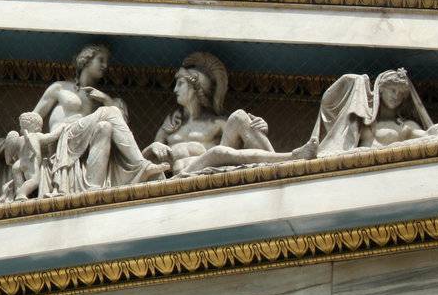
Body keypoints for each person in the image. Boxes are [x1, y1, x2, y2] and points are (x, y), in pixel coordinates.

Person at [144, 52, 317, 175]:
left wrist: (259, 126)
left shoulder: (217, 123)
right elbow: (145, 162)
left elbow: (244, 136)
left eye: (180, 84)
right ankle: (290, 158)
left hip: (208, 173)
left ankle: (277, 167)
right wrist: (156, 141)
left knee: (239, 117)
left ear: (196, 89)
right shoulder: (171, 125)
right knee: (217, 153)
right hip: (178, 177)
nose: (174, 90)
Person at [32, 42, 168, 194]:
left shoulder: (98, 99)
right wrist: (27, 141)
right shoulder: (59, 87)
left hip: (82, 142)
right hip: (61, 137)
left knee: (105, 126)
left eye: (106, 62)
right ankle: (140, 164)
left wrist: (105, 99)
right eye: (101, 60)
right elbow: (33, 117)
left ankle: (94, 187)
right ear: (86, 60)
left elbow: (121, 125)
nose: (105, 65)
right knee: (109, 111)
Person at [312, 68, 438, 155]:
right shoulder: (361, 120)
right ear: (380, 89)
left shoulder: (405, 126)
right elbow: (329, 104)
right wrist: (354, 81)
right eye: (392, 90)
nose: (397, 96)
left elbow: (428, 135)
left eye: (401, 93)